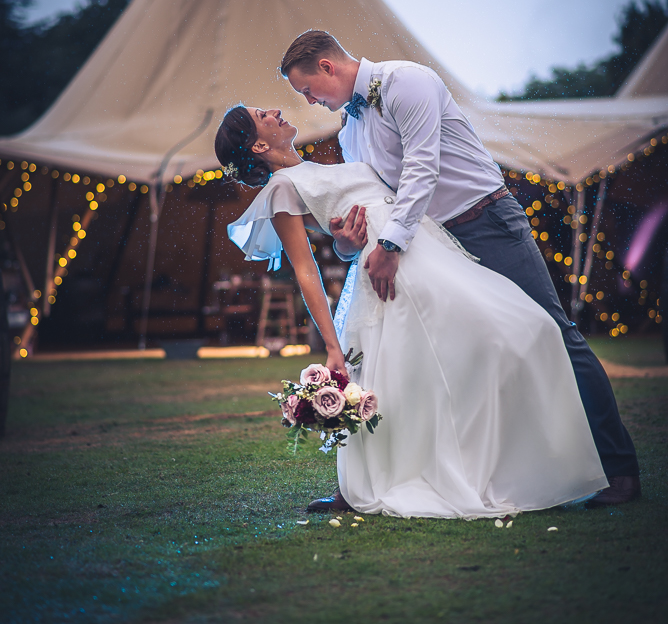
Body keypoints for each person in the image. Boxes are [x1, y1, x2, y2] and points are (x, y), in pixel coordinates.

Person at [280, 30, 640, 509]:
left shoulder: (407, 82)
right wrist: (349, 245)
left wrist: (390, 243)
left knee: (555, 333)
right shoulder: (349, 129)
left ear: (327, 67)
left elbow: (422, 169)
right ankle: (389, 481)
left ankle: (620, 471)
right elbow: (378, 203)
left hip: (486, 221)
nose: (309, 101)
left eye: (308, 90)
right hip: (426, 245)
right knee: (429, 357)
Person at [218, 104, 607, 520]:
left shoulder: (315, 166)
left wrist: (343, 244)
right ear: (259, 144)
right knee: (495, 337)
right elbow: (305, 271)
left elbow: (344, 231)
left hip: (422, 246)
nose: (276, 110)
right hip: (394, 274)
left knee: (517, 332)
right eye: (263, 114)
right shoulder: (281, 188)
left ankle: (497, 464)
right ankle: (438, 474)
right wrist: (332, 347)